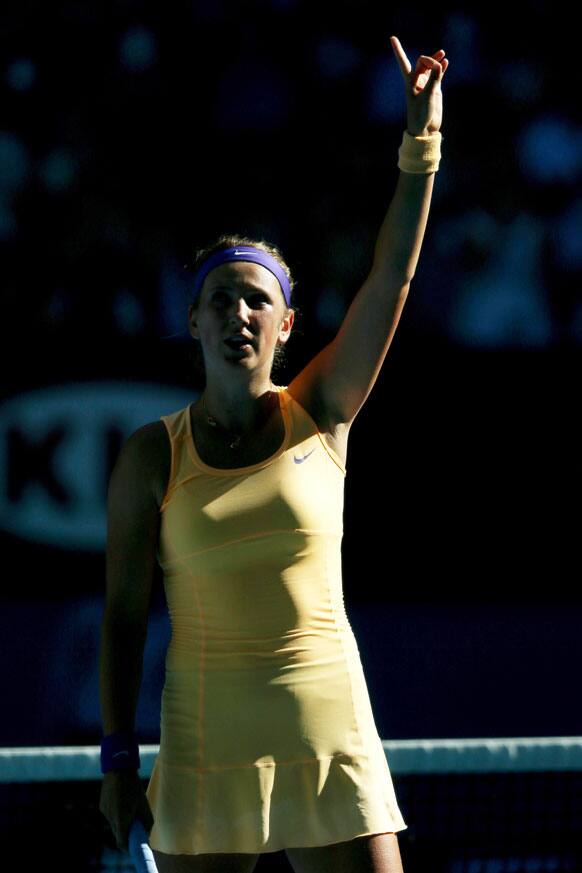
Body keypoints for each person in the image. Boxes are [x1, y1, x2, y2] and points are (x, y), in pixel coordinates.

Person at [99, 34, 449, 873]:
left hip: (328, 728)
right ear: (194, 322)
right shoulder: (152, 455)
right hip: (203, 741)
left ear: (285, 326)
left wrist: (421, 144)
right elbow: (120, 614)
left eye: (258, 299)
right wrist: (116, 759)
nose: (238, 313)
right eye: (220, 298)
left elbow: (392, 276)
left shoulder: (324, 411)